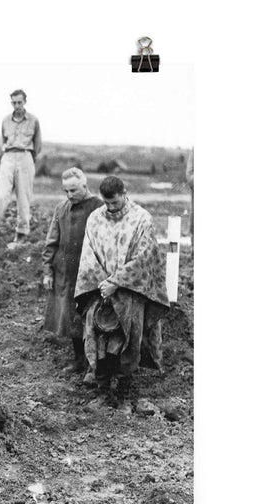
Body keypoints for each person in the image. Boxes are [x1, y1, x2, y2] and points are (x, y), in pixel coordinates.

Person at [74, 175, 170, 405]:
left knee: (129, 339)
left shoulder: (141, 219)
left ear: (124, 193)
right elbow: (89, 256)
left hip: (130, 291)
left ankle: (125, 393)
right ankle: (103, 391)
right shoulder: (95, 219)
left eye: (115, 203)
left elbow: (145, 258)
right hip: (101, 290)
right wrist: (103, 285)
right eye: (107, 203)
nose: (111, 208)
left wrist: (116, 282)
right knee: (98, 337)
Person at [41, 167, 102, 372]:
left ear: (85, 186)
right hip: (65, 273)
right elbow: (52, 241)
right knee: (70, 316)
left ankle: (94, 363)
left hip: (90, 274)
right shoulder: (61, 209)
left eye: (74, 190)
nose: (69, 195)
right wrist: (48, 271)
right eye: (65, 191)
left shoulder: (99, 207)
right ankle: (78, 360)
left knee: (92, 317)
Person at [0, 89, 41, 248]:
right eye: (14, 102)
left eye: (19, 102)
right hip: (8, 157)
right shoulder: (5, 120)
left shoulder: (33, 120)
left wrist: (28, 159)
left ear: (25, 102)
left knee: (23, 197)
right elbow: (3, 140)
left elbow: (38, 145)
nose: (17, 106)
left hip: (25, 156)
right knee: (1, 194)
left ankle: (21, 234)